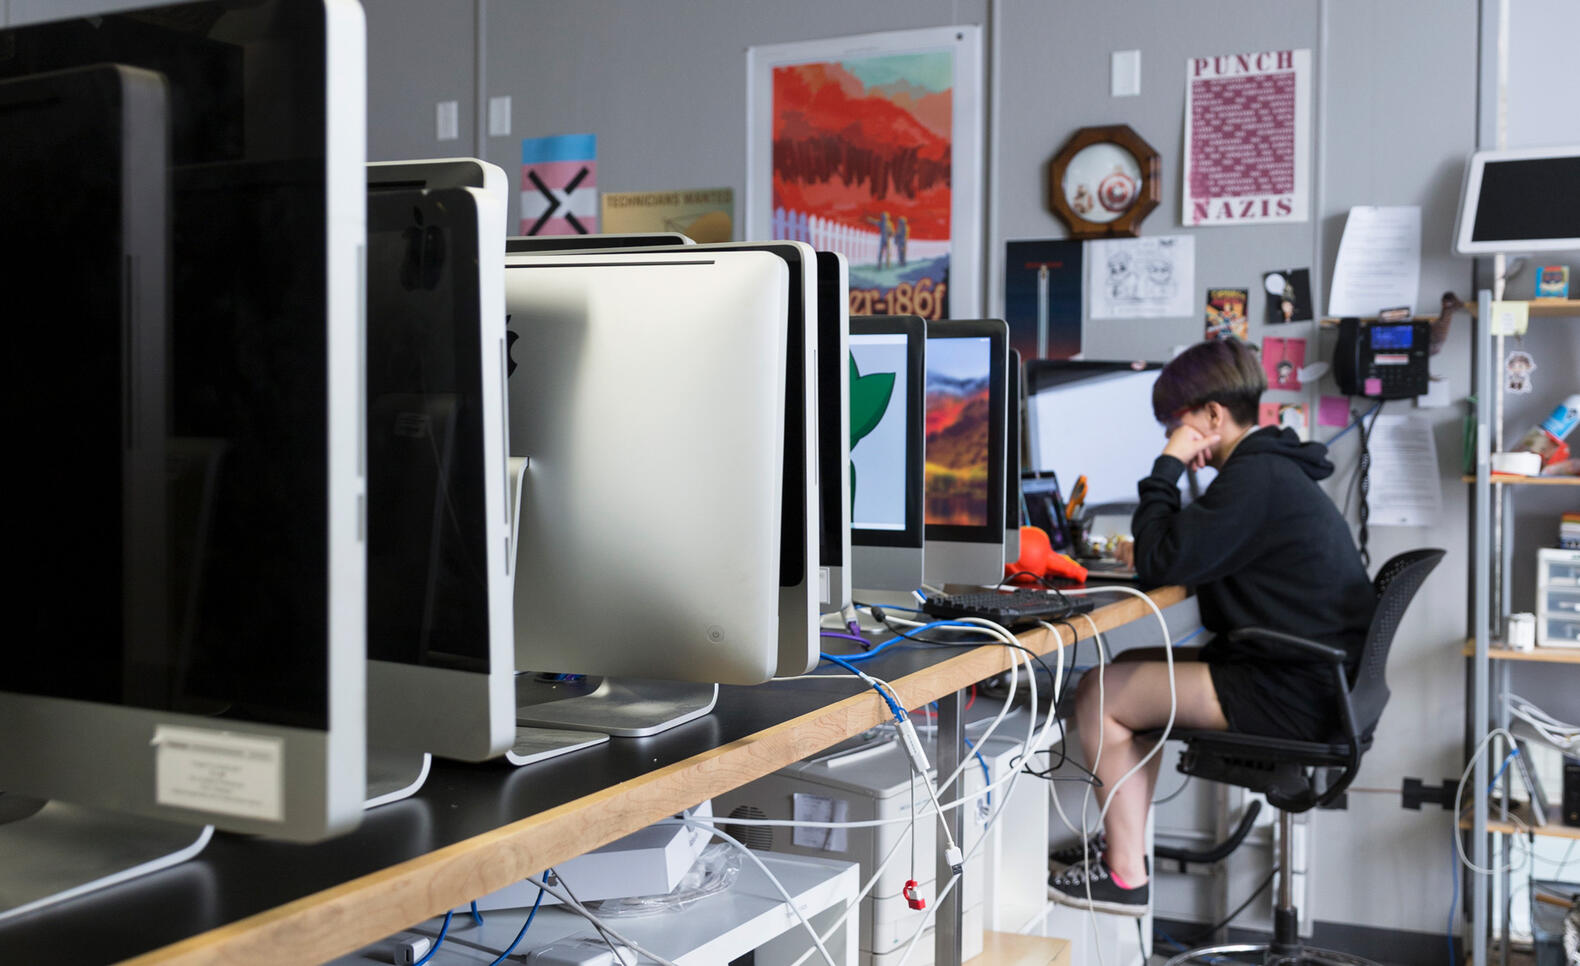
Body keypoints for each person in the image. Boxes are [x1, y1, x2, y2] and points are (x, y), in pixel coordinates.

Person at [1045, 338, 1375, 917]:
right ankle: (1124, 843)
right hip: (1311, 675)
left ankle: (1124, 875)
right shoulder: (1269, 469)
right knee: (1124, 671)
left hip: (1291, 687)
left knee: (1099, 694)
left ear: (1213, 417)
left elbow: (1160, 559)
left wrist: (1168, 467)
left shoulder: (1254, 479)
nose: (1172, 438)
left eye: (1177, 424)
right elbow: (1182, 550)